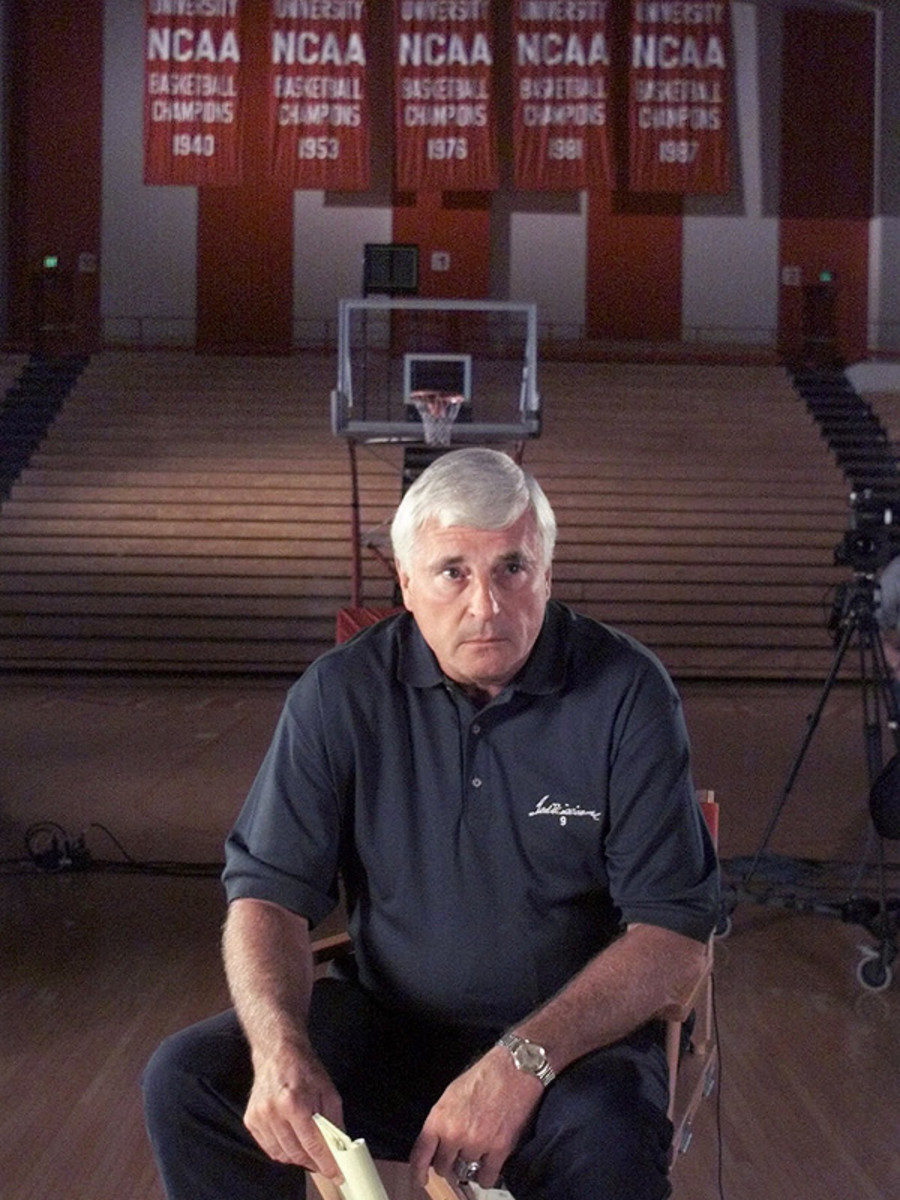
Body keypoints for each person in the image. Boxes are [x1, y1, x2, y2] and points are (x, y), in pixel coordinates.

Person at [143, 447, 719, 1200]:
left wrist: (521, 1063)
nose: (486, 605)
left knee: (608, 1133)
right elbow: (267, 895)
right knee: (189, 1081)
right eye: (453, 571)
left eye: (512, 568)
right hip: (389, 1023)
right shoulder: (339, 693)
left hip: (570, 1047)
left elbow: (674, 937)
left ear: (546, 573)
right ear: (406, 584)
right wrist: (280, 1048)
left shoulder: (626, 690)